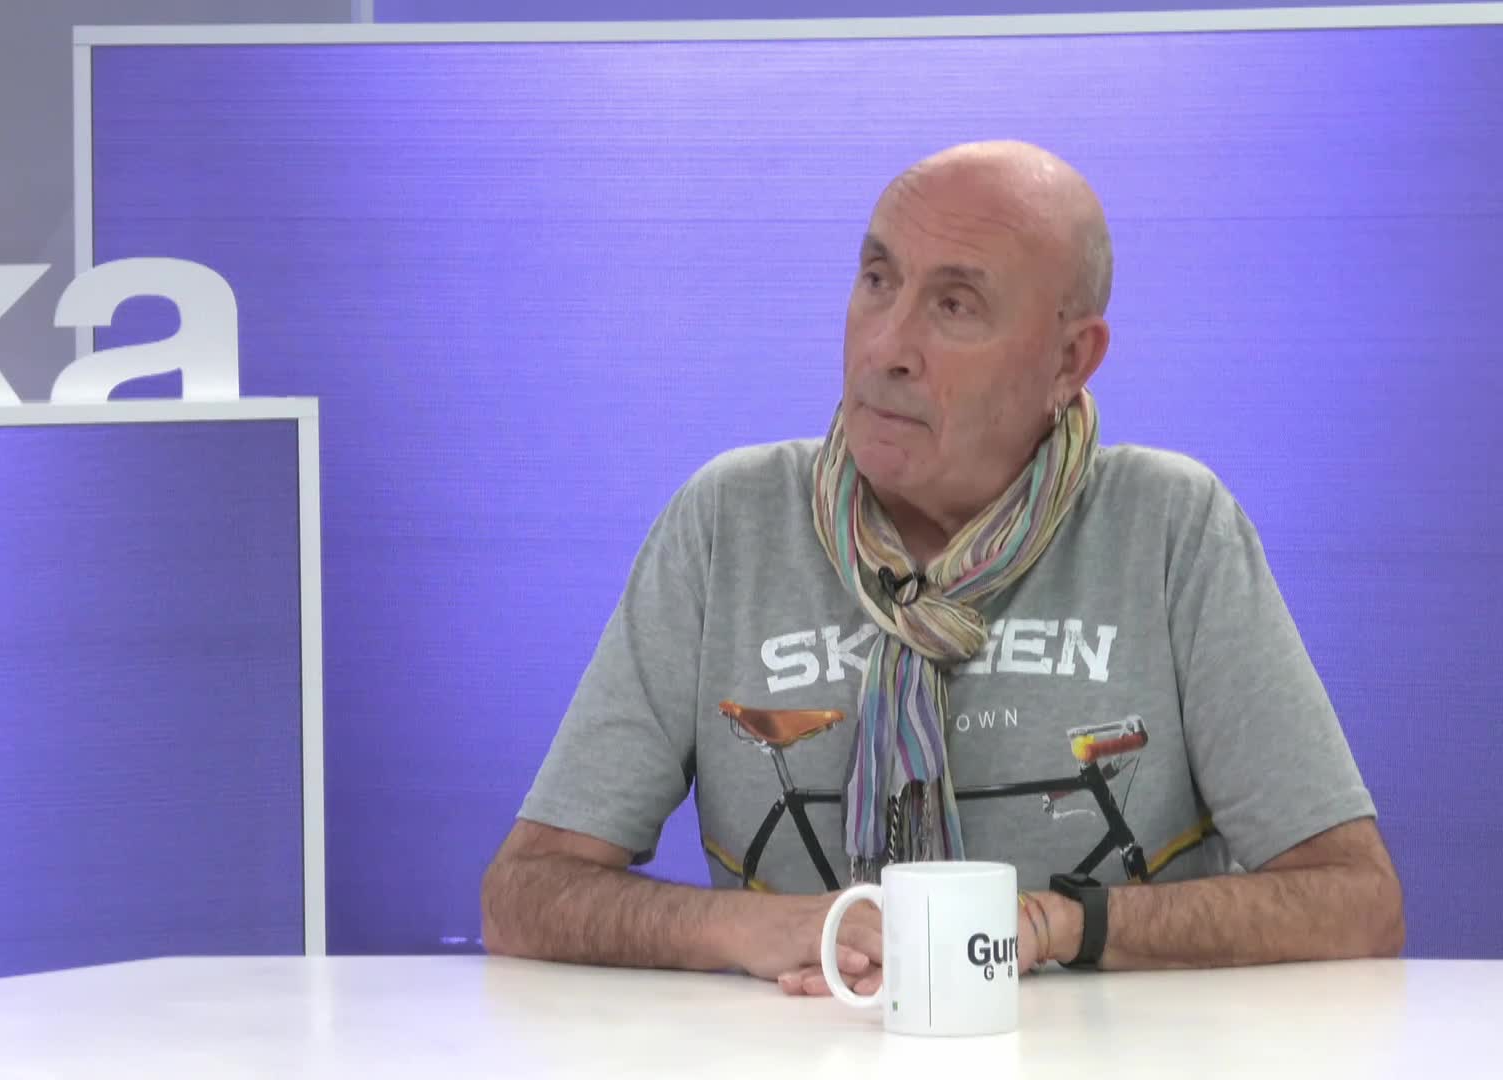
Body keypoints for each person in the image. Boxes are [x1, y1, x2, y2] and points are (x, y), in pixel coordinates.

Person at [481, 140, 1403, 995]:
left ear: (1069, 360)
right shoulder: (729, 521)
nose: (886, 348)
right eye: (877, 280)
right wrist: (764, 930)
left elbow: (1355, 901)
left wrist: (1048, 927)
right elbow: (525, 894)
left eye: (955, 305)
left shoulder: (1170, 527)